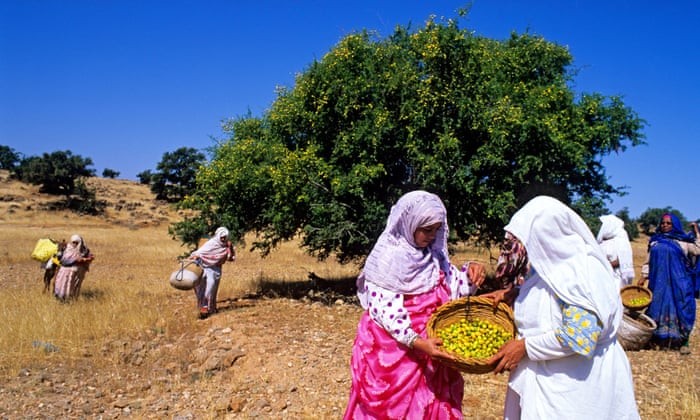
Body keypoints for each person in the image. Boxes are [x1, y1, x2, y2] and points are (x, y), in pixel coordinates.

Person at [483, 196, 639, 420]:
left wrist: (524, 347)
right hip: (554, 382)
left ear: (545, 236)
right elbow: (552, 294)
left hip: (576, 390)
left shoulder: (580, 272)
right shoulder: (550, 267)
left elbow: (580, 336)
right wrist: (515, 293)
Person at [343, 190, 486, 419]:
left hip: (432, 349)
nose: (432, 236)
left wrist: (472, 272)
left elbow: (453, 288)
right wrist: (419, 343)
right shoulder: (388, 259)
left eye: (436, 230)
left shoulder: (433, 256)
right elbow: (386, 313)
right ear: (409, 223)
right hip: (398, 354)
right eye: (426, 230)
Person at [639, 214, 700, 354]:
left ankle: (683, 341)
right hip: (658, 282)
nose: (665, 225)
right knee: (656, 306)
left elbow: (698, 250)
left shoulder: (683, 242)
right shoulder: (655, 242)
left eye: (669, 223)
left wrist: (697, 232)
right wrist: (643, 276)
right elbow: (648, 261)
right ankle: (657, 339)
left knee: (682, 307)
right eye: (663, 223)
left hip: (679, 283)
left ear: (675, 225)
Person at [188, 227, 236, 318]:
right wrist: (195, 257)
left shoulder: (227, 245)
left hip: (215, 270)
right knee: (201, 288)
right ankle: (203, 307)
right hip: (204, 268)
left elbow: (230, 258)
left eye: (224, 237)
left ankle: (211, 308)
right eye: (221, 237)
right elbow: (199, 253)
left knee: (212, 288)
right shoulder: (211, 243)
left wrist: (230, 248)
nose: (222, 239)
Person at [597, 214, 635, 288]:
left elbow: (621, 260)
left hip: (615, 277)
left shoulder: (621, 240)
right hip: (602, 275)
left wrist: (604, 265)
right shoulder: (603, 240)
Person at [54, 234, 94, 301]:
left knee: (72, 286)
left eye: (76, 242)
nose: (75, 244)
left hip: (75, 273)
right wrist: (75, 259)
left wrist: (87, 259)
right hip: (65, 272)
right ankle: (62, 299)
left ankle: (70, 299)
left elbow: (89, 256)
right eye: (73, 242)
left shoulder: (83, 250)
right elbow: (63, 261)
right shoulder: (68, 249)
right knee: (63, 284)